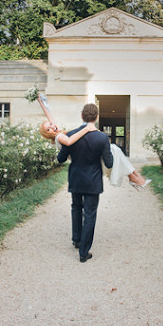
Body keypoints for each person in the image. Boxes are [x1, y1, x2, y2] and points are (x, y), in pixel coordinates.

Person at [37, 95, 151, 189]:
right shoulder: (59, 137)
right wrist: (87, 128)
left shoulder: (57, 132)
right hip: (85, 157)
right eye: (48, 129)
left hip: (86, 153)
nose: (52, 127)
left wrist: (42, 103)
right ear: (47, 134)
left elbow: (50, 116)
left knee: (116, 150)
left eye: (51, 125)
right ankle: (134, 177)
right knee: (115, 149)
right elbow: (69, 141)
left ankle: (134, 176)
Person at [57, 103, 112, 263]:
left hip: (76, 178)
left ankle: (77, 239)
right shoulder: (102, 138)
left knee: (76, 208)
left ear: (82, 116)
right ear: (97, 117)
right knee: (90, 214)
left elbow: (60, 159)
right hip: (93, 181)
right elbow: (109, 163)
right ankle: (84, 252)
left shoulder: (71, 135)